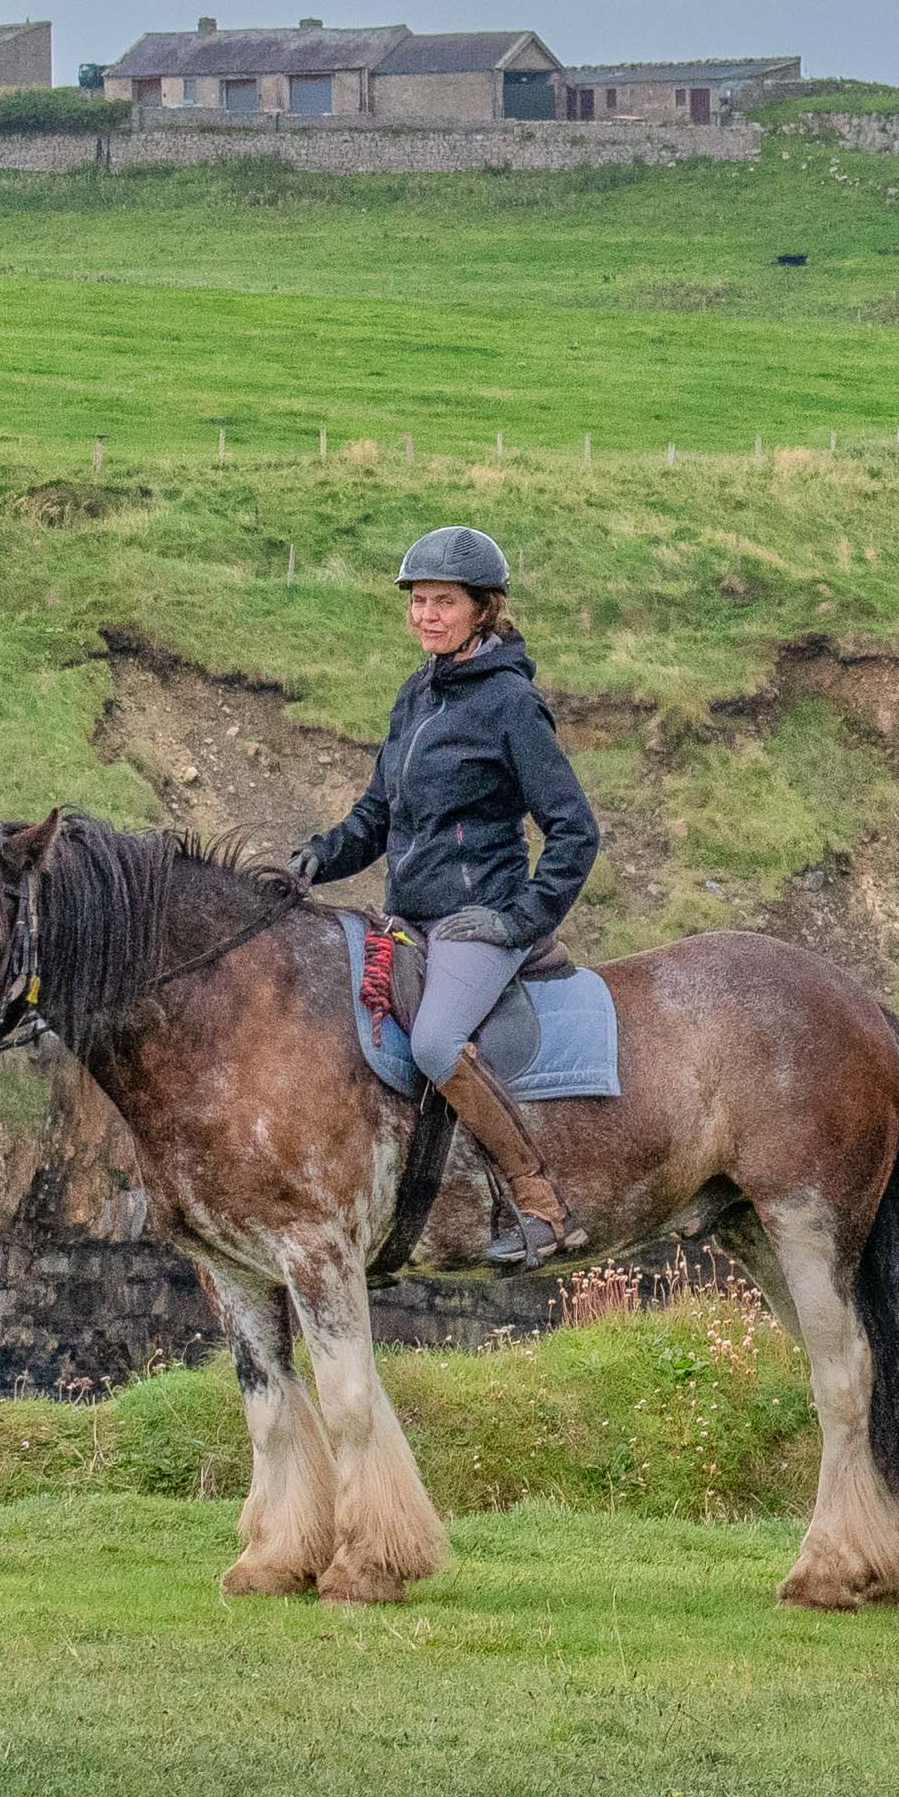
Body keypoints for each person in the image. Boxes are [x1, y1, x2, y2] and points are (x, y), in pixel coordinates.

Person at [292, 527, 604, 1269]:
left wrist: (519, 918)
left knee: (433, 1043)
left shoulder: (512, 704)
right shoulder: (416, 694)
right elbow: (377, 814)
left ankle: (543, 1205)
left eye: (444, 602)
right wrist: (315, 858)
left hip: (478, 921)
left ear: (483, 610)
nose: (426, 615)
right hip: (407, 917)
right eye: (418, 601)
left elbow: (575, 831)